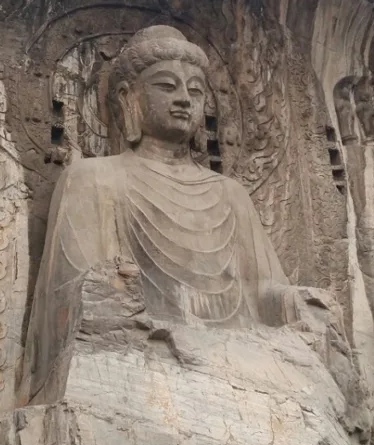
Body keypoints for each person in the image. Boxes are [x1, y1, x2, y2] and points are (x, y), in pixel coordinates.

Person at [18, 25, 335, 405]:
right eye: (167, 87)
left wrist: (296, 301)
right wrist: (116, 290)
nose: (184, 99)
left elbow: (261, 290)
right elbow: (73, 294)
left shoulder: (229, 194)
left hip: (237, 356)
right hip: (142, 360)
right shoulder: (93, 179)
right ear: (127, 96)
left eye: (196, 91)